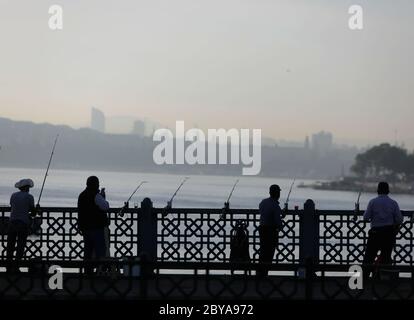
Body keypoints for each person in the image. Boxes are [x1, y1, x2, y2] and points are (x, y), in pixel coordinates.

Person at [362, 182, 403, 278]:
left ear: (378, 190)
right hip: (388, 234)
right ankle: (381, 278)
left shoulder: (372, 202)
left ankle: (363, 279)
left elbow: (365, 217)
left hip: (375, 233)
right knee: (386, 257)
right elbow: (399, 219)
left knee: (369, 257)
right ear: (388, 191)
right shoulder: (393, 203)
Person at [77, 176, 110, 274]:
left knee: (88, 250)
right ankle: (100, 271)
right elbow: (106, 207)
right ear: (95, 184)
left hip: (85, 227)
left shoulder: (81, 195)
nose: (98, 185)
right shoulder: (96, 195)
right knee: (100, 251)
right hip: (97, 227)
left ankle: (88, 271)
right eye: (98, 183)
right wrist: (103, 197)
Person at [6, 179, 37, 273]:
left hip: (12, 222)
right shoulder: (29, 197)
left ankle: (8, 266)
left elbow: (12, 205)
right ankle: (16, 266)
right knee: (20, 245)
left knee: (10, 245)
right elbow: (33, 212)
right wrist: (36, 209)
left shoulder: (13, 195)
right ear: (27, 188)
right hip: (23, 223)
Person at [257, 184, 283, 276]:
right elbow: (278, 221)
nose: (279, 194)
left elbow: (263, 213)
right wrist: (281, 226)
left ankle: (259, 272)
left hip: (262, 229)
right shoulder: (275, 205)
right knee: (269, 253)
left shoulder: (263, 202)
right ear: (277, 193)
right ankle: (264, 273)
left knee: (263, 251)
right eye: (279, 192)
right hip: (270, 231)